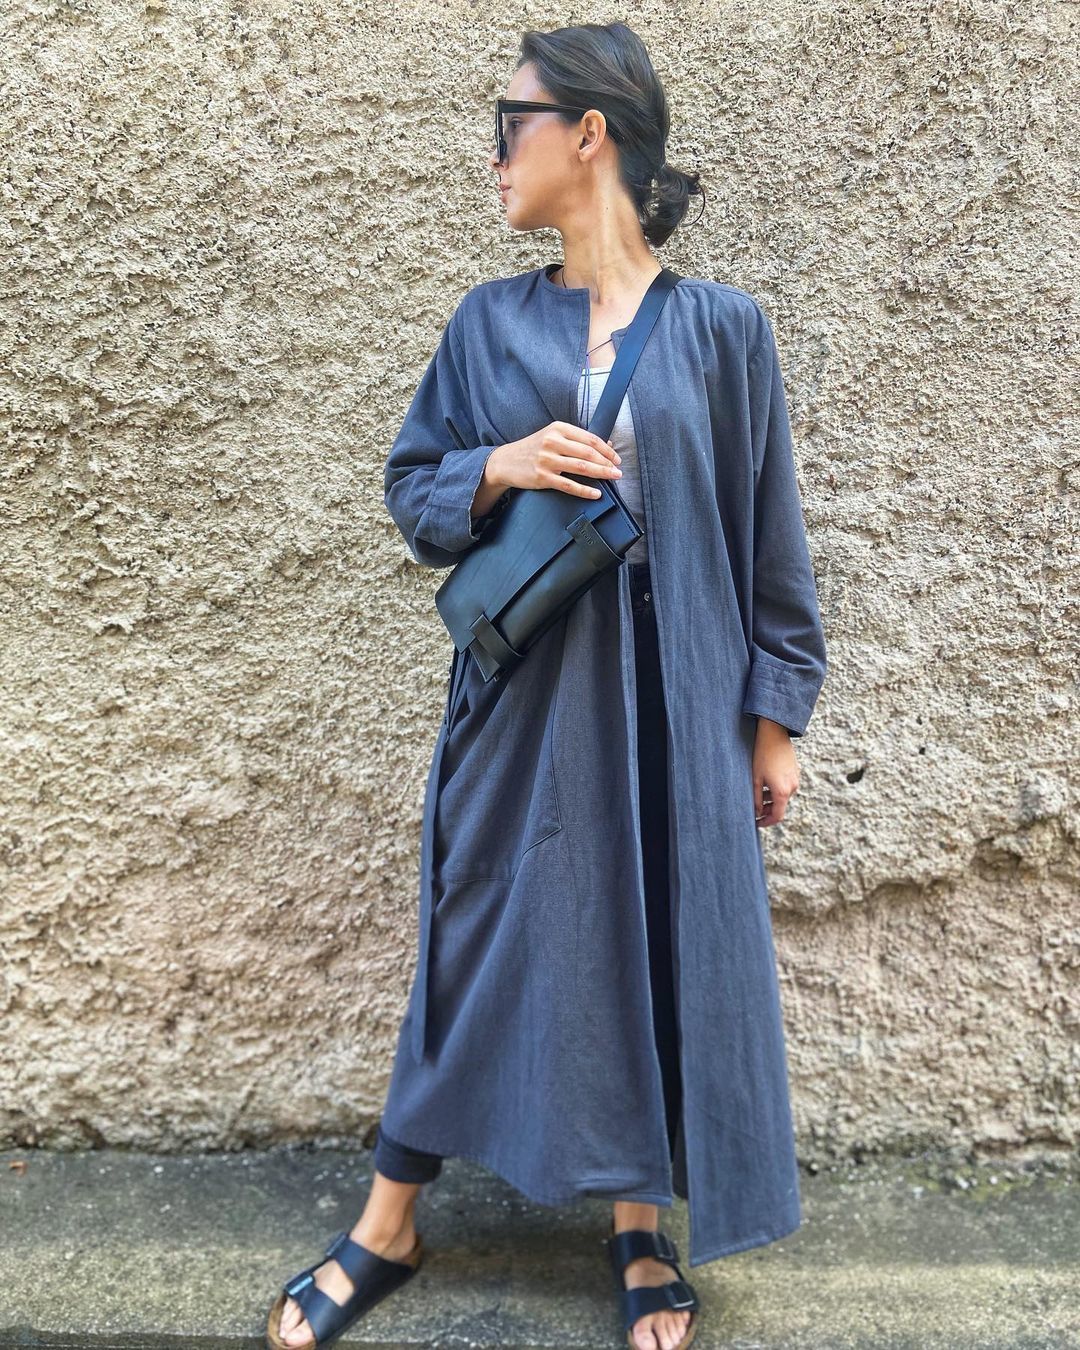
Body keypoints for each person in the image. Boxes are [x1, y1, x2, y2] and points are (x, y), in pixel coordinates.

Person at [265, 21, 827, 1350]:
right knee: (471, 942)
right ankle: (389, 1222)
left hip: (678, 713)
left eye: (507, 121)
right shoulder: (488, 323)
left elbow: (769, 537)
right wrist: (500, 466)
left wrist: (777, 716)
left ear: (588, 133)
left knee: (656, 940)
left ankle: (638, 1227)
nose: (493, 153)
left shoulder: (725, 330)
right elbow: (414, 490)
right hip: (519, 710)